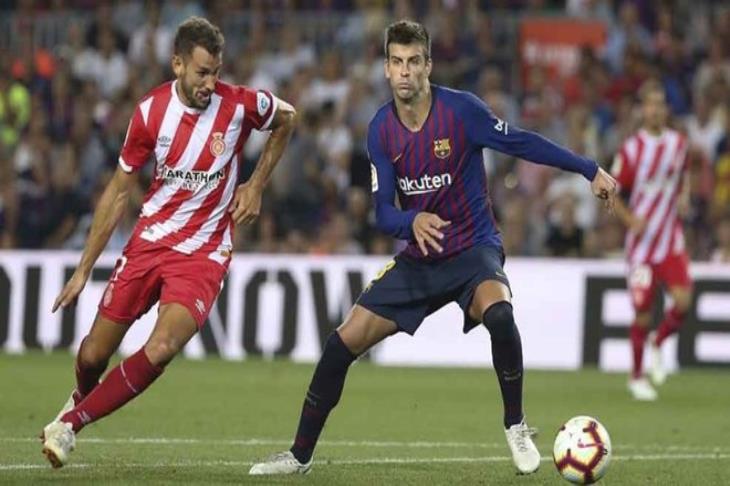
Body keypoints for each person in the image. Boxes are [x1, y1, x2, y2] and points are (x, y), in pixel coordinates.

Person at [249, 20, 617, 476]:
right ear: (386, 69)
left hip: (473, 250)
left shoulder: (463, 112)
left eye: (413, 62)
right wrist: (412, 220)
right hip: (420, 259)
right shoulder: (381, 130)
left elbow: (521, 142)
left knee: (500, 315)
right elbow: (383, 213)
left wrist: (588, 169)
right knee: (341, 343)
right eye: (396, 62)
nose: (405, 71)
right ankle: (299, 456)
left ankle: (515, 424)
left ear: (428, 65)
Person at [41, 16, 296, 468]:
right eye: (202, 72)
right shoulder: (149, 113)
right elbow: (119, 192)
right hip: (150, 243)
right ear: (177, 64)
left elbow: (288, 117)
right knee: (93, 354)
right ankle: (80, 399)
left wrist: (256, 184)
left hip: (204, 253)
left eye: (216, 72)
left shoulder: (238, 105)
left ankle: (70, 424)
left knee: (161, 347)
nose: (210, 83)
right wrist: (83, 269)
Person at [610, 80, 692, 401]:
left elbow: (683, 176)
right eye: (651, 104)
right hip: (642, 249)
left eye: (661, 104)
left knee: (683, 302)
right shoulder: (631, 150)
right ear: (642, 110)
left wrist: (683, 197)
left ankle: (658, 342)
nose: (656, 110)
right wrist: (631, 220)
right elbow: (610, 192)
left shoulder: (678, 144)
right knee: (643, 312)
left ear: (666, 110)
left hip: (670, 242)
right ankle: (636, 377)